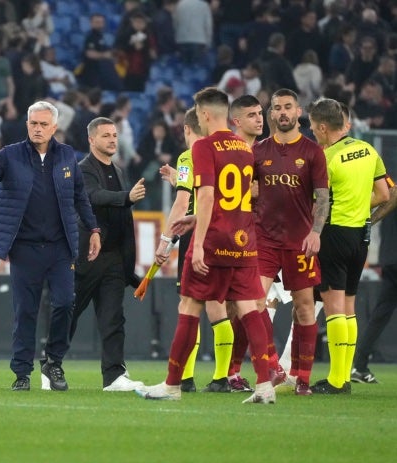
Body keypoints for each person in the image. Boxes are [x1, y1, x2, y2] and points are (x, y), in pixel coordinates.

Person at [0, 100, 101, 391]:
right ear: (27, 125)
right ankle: (22, 373)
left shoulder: (66, 156)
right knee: (25, 310)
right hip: (24, 248)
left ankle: (53, 362)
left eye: (43, 124)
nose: (37, 129)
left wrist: (94, 229)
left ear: (54, 128)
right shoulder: (10, 155)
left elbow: (79, 196)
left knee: (65, 303)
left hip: (60, 247)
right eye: (33, 123)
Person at [136, 87, 273, 404]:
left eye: (198, 114)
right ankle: (265, 384)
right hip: (243, 238)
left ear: (206, 115)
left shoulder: (202, 148)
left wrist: (197, 243)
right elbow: (247, 196)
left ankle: (172, 385)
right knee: (249, 308)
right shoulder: (244, 148)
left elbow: (210, 195)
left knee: (189, 307)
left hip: (213, 241)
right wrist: (197, 218)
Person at [307, 98, 389, 394]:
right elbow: (384, 194)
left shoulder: (326, 158)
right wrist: (358, 209)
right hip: (361, 237)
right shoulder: (368, 150)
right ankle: (342, 378)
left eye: (315, 129)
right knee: (350, 307)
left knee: (334, 308)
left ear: (325, 127)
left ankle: (336, 380)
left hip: (334, 234)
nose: (314, 134)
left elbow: (319, 202)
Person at [252, 89, 329, 396]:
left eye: (288, 107)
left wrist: (316, 232)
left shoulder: (313, 152)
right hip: (264, 240)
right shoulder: (258, 151)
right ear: (271, 114)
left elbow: (322, 197)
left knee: (305, 308)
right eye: (277, 108)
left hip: (300, 241)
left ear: (299, 112)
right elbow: (245, 190)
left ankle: (304, 380)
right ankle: (274, 366)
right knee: (254, 303)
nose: (282, 112)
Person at [70, 117, 145, 391]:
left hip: (113, 259)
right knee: (68, 314)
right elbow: (93, 196)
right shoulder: (83, 170)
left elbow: (124, 221)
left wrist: (129, 272)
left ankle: (114, 376)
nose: (113, 140)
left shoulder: (119, 170)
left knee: (114, 318)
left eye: (114, 135)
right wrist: (126, 197)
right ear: (91, 140)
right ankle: (51, 364)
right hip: (87, 256)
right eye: (106, 136)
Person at [156, 107, 204, 393]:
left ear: (186, 129)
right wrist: (178, 178)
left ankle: (184, 377)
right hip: (230, 231)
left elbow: (183, 203)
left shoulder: (189, 156)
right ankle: (228, 376)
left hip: (195, 230)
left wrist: (165, 240)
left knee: (188, 305)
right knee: (229, 307)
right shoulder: (226, 150)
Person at [352, 176, 397, 384]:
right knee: (381, 313)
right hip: (391, 259)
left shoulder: (389, 191)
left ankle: (359, 365)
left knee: (381, 313)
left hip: (390, 259)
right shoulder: (391, 191)